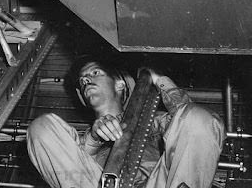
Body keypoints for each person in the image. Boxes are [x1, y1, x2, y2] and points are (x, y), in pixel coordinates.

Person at [26, 57, 225, 188]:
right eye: (82, 81)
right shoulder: (81, 140)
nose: (86, 80)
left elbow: (194, 126)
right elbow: (72, 167)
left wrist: (159, 80)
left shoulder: (152, 121)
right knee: (41, 127)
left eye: (94, 73)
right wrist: (94, 138)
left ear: (120, 84)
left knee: (199, 118)